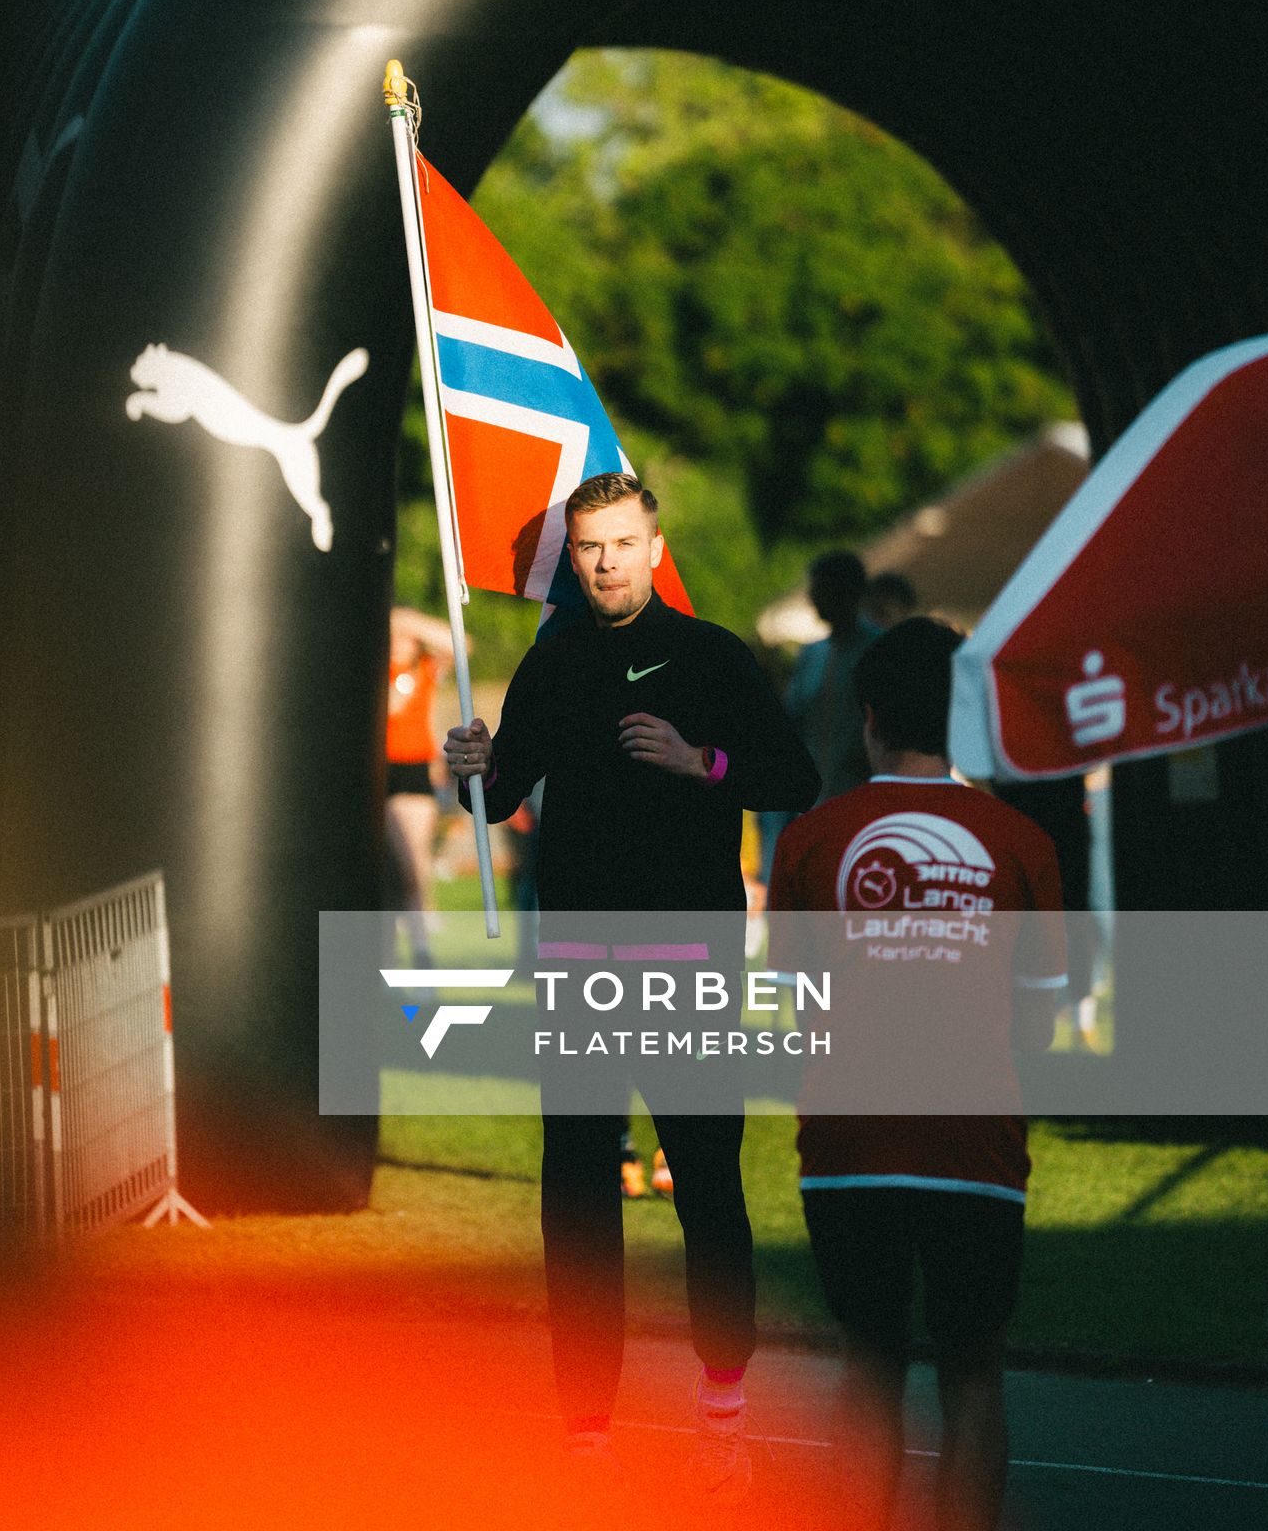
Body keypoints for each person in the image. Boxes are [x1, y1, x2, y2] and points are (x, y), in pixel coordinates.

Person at [444, 472, 819, 1497]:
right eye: (588, 548)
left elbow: (794, 777)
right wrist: (466, 768)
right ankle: (584, 1431)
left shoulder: (708, 657)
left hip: (687, 960)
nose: (605, 562)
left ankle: (722, 1411)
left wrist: (701, 763)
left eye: (620, 543)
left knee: (704, 1183)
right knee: (574, 1194)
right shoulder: (550, 661)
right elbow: (498, 797)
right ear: (573, 557)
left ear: (653, 547)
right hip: (577, 965)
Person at [769, 617, 1066, 1531]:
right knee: (974, 1373)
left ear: (866, 717)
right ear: (964, 716)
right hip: (974, 1144)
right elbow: (1042, 1022)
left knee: (869, 1365)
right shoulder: (1021, 841)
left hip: (849, 1145)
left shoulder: (814, 839)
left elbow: (799, 1003)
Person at [385, 606, 453, 958]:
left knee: (413, 862)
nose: (399, 642)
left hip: (412, 770)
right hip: (381, 769)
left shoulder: (426, 669)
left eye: (406, 638)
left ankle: (421, 952)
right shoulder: (378, 669)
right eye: (394, 635)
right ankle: (390, 954)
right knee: (388, 871)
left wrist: (409, 619)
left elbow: (459, 644)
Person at [786, 549, 879, 801]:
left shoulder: (880, 649)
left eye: (821, 589)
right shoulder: (811, 654)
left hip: (862, 797)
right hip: (813, 798)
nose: (812, 598)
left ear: (847, 592)